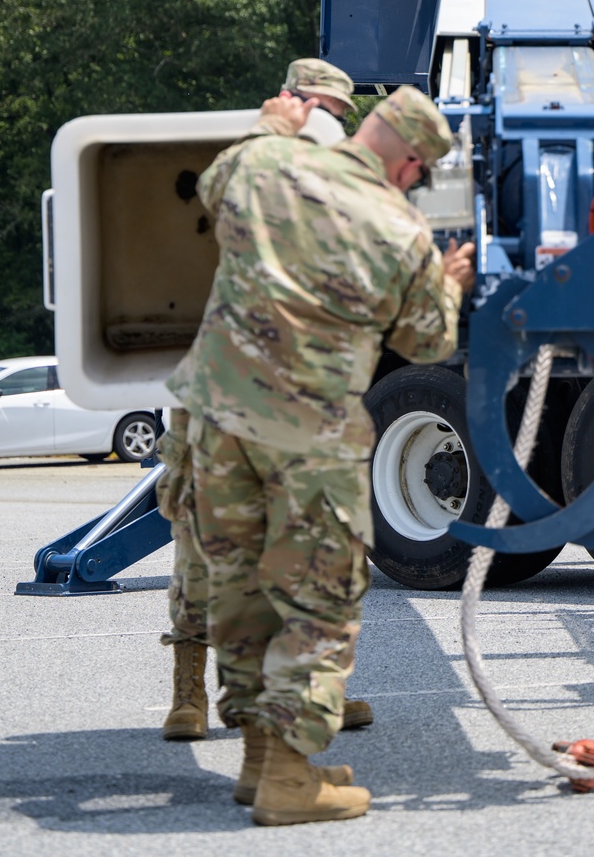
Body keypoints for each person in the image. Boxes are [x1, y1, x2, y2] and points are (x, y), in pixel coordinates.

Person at [165, 85, 475, 827]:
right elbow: (428, 341)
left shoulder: (266, 162)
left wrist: (270, 125)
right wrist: (449, 284)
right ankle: (290, 779)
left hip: (218, 420)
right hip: (309, 437)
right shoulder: (397, 225)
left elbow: (214, 184)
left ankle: (258, 761)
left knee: (238, 588)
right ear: (408, 165)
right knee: (317, 600)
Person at [157, 58, 372, 746]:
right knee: (199, 537)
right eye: (321, 109)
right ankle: (188, 689)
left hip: (288, 388)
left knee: (299, 544)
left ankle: (305, 691)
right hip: (217, 377)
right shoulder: (250, 163)